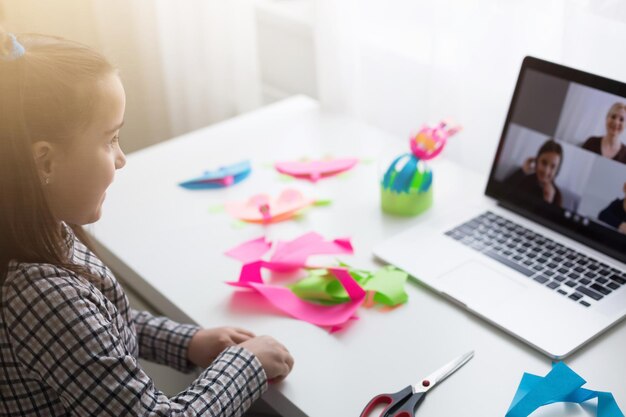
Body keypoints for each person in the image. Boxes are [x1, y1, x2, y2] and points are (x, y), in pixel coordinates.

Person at [0, 30, 293, 416]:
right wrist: (245, 367)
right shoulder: (41, 296)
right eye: (110, 140)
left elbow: (99, 326)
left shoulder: (38, 229)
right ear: (46, 163)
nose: (121, 158)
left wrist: (189, 342)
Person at [503, 139, 564, 207]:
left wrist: (547, 202)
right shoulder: (523, 178)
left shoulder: (557, 196)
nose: (546, 171)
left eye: (552, 167)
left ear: (557, 171)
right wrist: (522, 171)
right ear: (537, 161)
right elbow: (500, 195)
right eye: (544, 163)